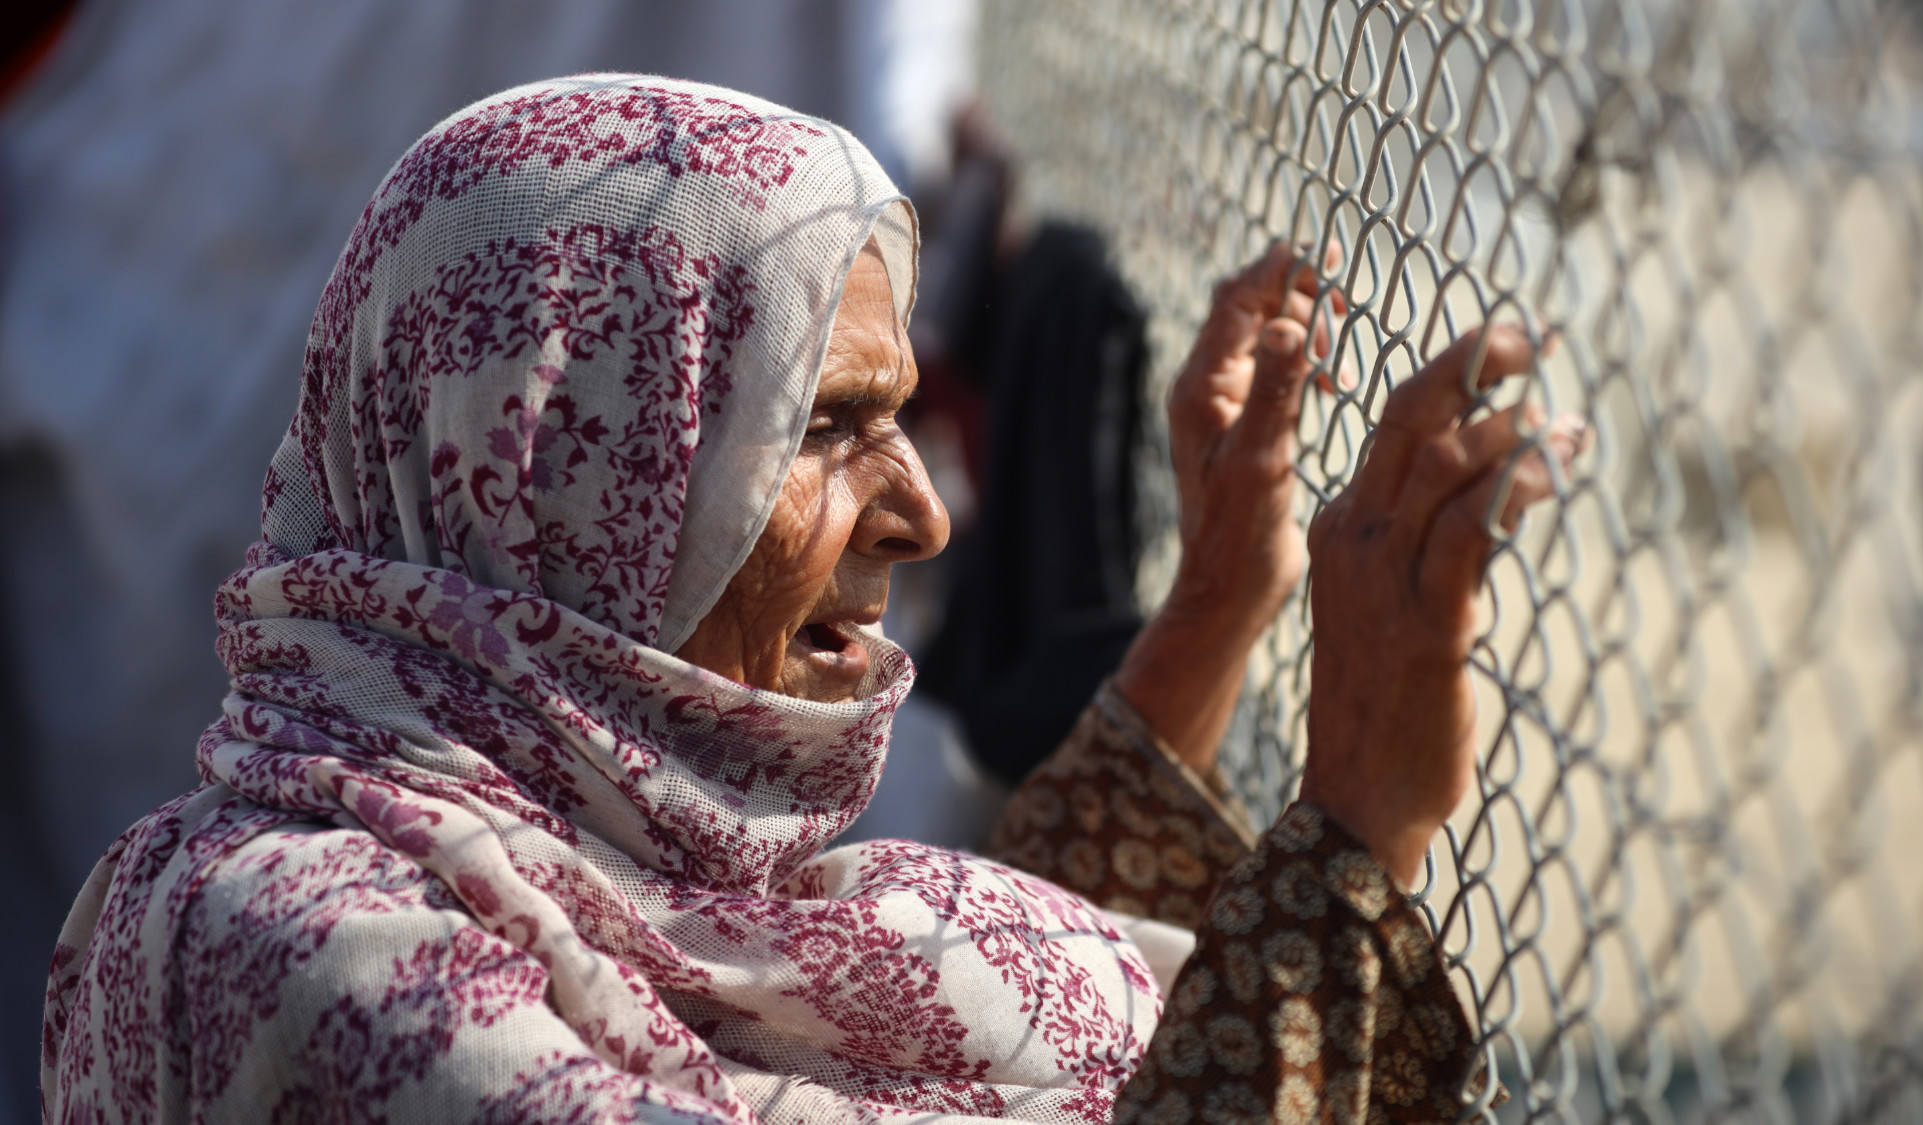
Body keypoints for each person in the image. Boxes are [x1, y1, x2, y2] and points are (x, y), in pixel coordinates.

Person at [40, 75, 1582, 1123]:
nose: (920, 512)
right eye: (825, 428)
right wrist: (1356, 823)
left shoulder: (614, 892)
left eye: (901, 415)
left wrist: (1215, 616)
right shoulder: (308, 954)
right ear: (559, 478)